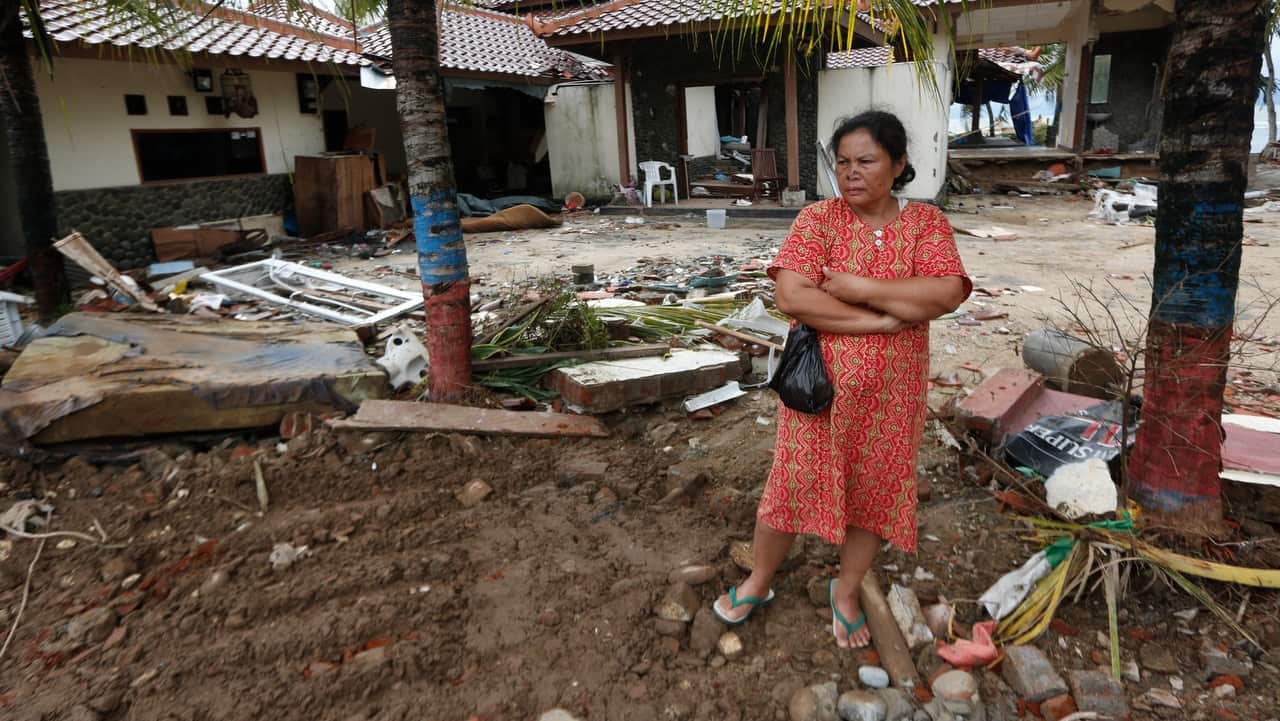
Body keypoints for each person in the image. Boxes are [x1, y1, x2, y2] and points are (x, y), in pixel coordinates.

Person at [713, 111, 971, 649]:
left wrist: (858, 286)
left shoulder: (925, 224)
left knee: (875, 492)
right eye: (844, 162)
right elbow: (793, 297)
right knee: (789, 485)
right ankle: (758, 580)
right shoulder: (818, 221)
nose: (851, 173)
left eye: (867, 161)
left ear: (898, 164)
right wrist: (882, 317)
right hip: (817, 392)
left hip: (892, 396)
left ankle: (847, 589)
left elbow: (945, 293)